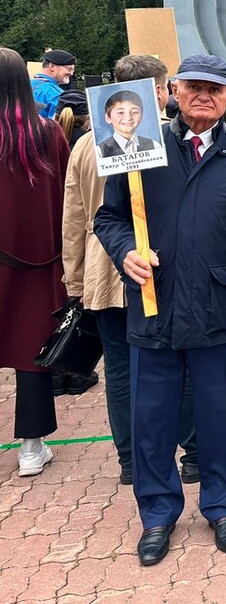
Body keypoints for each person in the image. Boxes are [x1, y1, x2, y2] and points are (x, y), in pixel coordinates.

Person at [94, 53, 226, 566]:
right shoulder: (136, 144)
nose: (204, 97)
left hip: (221, 306)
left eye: (215, 89)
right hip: (153, 305)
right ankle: (157, 513)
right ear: (172, 89)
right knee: (152, 420)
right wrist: (125, 249)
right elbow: (109, 218)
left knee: (220, 418)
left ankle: (221, 505)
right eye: (193, 86)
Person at [62, 55, 203, 486]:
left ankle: (131, 456)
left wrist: (73, 278)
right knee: (170, 362)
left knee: (122, 369)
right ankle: (190, 450)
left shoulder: (86, 141)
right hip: (141, 267)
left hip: (102, 272)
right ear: (161, 90)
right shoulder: (160, 137)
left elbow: (72, 213)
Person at [0, 47, 71, 477]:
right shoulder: (46, 133)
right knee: (32, 353)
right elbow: (69, 196)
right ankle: (30, 447)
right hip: (39, 260)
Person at [96, 90, 164, 158]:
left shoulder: (154, 146)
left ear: (141, 116)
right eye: (120, 113)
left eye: (134, 112)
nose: (128, 118)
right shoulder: (100, 151)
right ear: (108, 118)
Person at [30, 48, 76, 118]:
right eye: (69, 69)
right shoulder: (56, 95)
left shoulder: (22, 85)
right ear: (52, 66)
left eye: (73, 69)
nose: (71, 73)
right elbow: (57, 126)